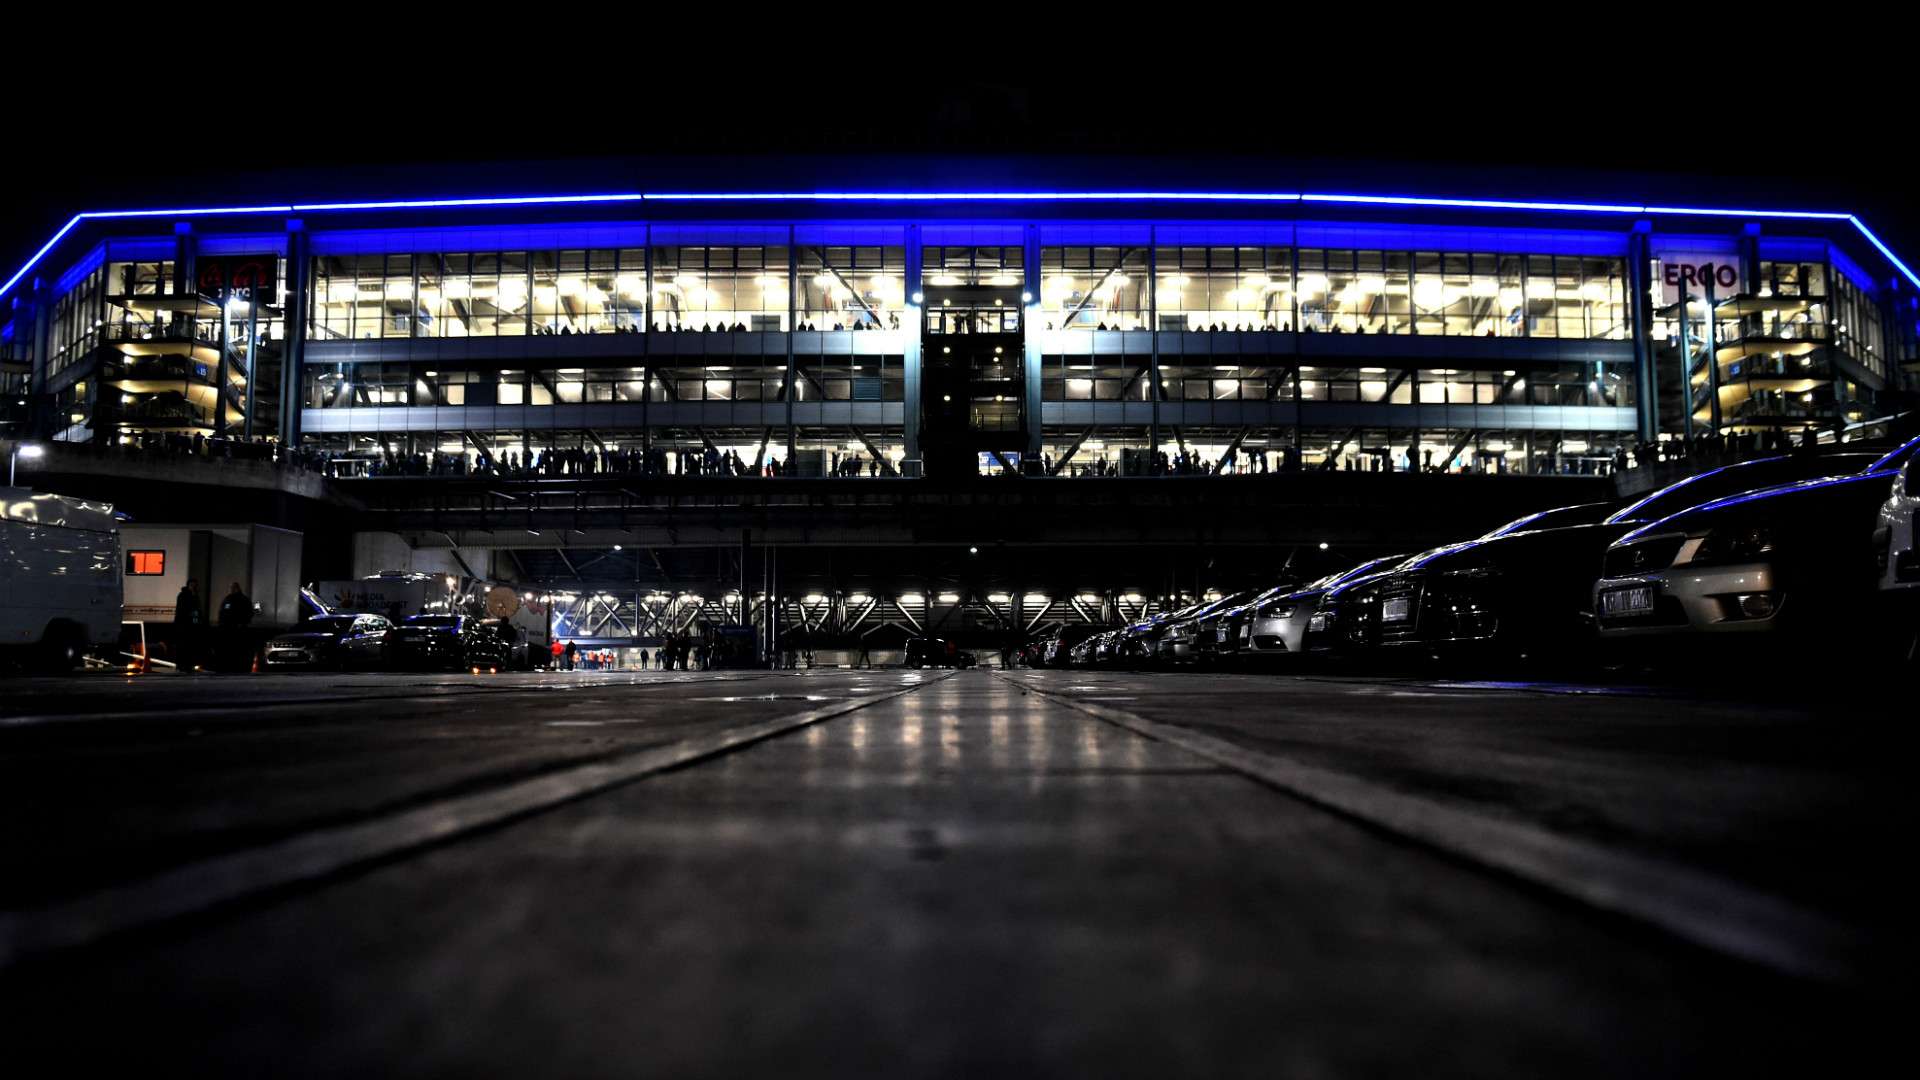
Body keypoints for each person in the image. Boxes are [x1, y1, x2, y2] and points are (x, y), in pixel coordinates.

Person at [217, 581, 254, 673]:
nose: (232, 589)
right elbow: (222, 612)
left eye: (233, 588)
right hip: (229, 628)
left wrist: (242, 623)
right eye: (231, 588)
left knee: (237, 650)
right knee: (232, 649)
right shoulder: (229, 599)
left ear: (237, 588)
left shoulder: (242, 600)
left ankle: (235, 667)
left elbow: (249, 613)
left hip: (237, 629)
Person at [174, 578, 203, 671]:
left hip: (192, 626)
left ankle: (188, 664)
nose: (194, 587)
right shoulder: (183, 596)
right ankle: (182, 665)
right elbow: (182, 610)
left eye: (195, 585)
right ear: (189, 585)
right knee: (184, 646)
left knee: (190, 646)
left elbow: (197, 610)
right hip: (184, 626)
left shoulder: (195, 596)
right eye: (192, 585)